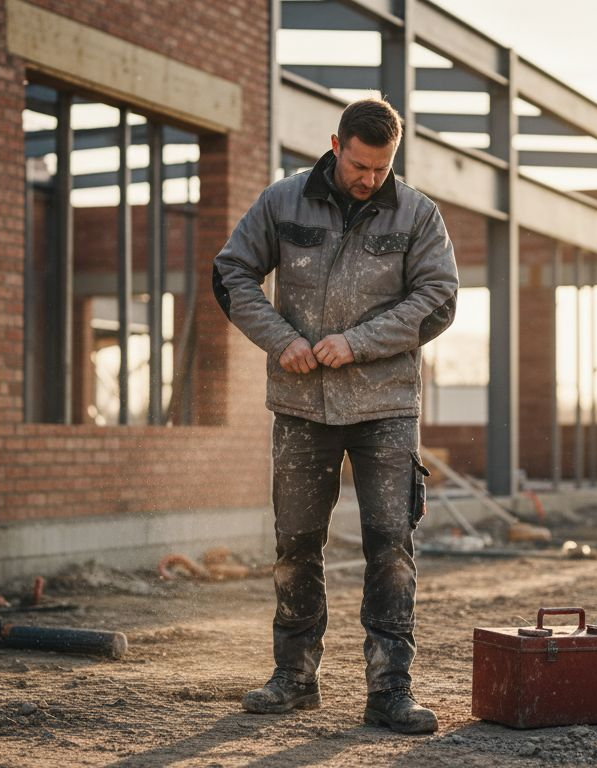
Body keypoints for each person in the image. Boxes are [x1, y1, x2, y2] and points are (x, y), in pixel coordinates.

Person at [211, 97, 458, 734]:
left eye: (381, 168)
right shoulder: (282, 202)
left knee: (391, 546)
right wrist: (280, 340)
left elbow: (438, 298)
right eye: (358, 165)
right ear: (335, 145)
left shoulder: (418, 214)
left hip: (386, 408)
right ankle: (294, 678)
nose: (369, 179)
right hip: (301, 405)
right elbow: (231, 273)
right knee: (296, 542)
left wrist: (358, 343)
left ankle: (390, 691)